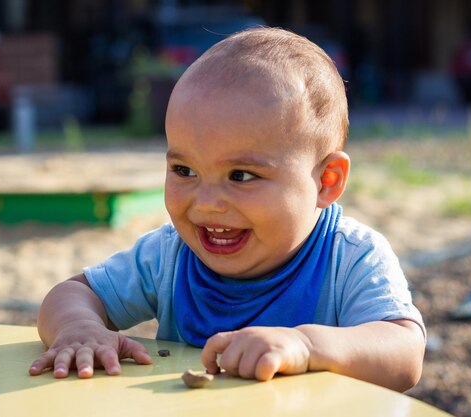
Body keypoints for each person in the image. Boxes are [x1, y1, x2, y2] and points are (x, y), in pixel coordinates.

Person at [29, 27, 425, 392]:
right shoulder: (170, 256)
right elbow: (71, 293)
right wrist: (79, 327)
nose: (206, 203)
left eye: (241, 176)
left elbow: (404, 352)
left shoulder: (349, 257)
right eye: (184, 170)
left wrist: (306, 345)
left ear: (327, 181)